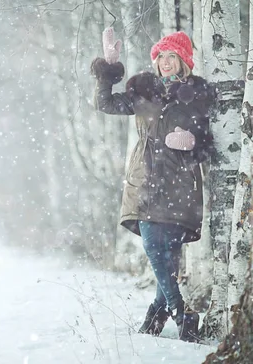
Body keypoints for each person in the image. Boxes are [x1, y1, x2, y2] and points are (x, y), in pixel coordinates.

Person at [90, 29, 215, 343]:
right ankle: (180, 313)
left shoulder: (194, 95)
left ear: (184, 61)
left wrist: (193, 140)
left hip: (180, 185)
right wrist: (109, 67)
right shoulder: (144, 92)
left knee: (167, 258)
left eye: (173, 56)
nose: (167, 62)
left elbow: (206, 134)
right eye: (162, 57)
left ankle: (154, 320)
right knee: (154, 249)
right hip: (145, 183)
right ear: (156, 61)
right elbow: (103, 103)